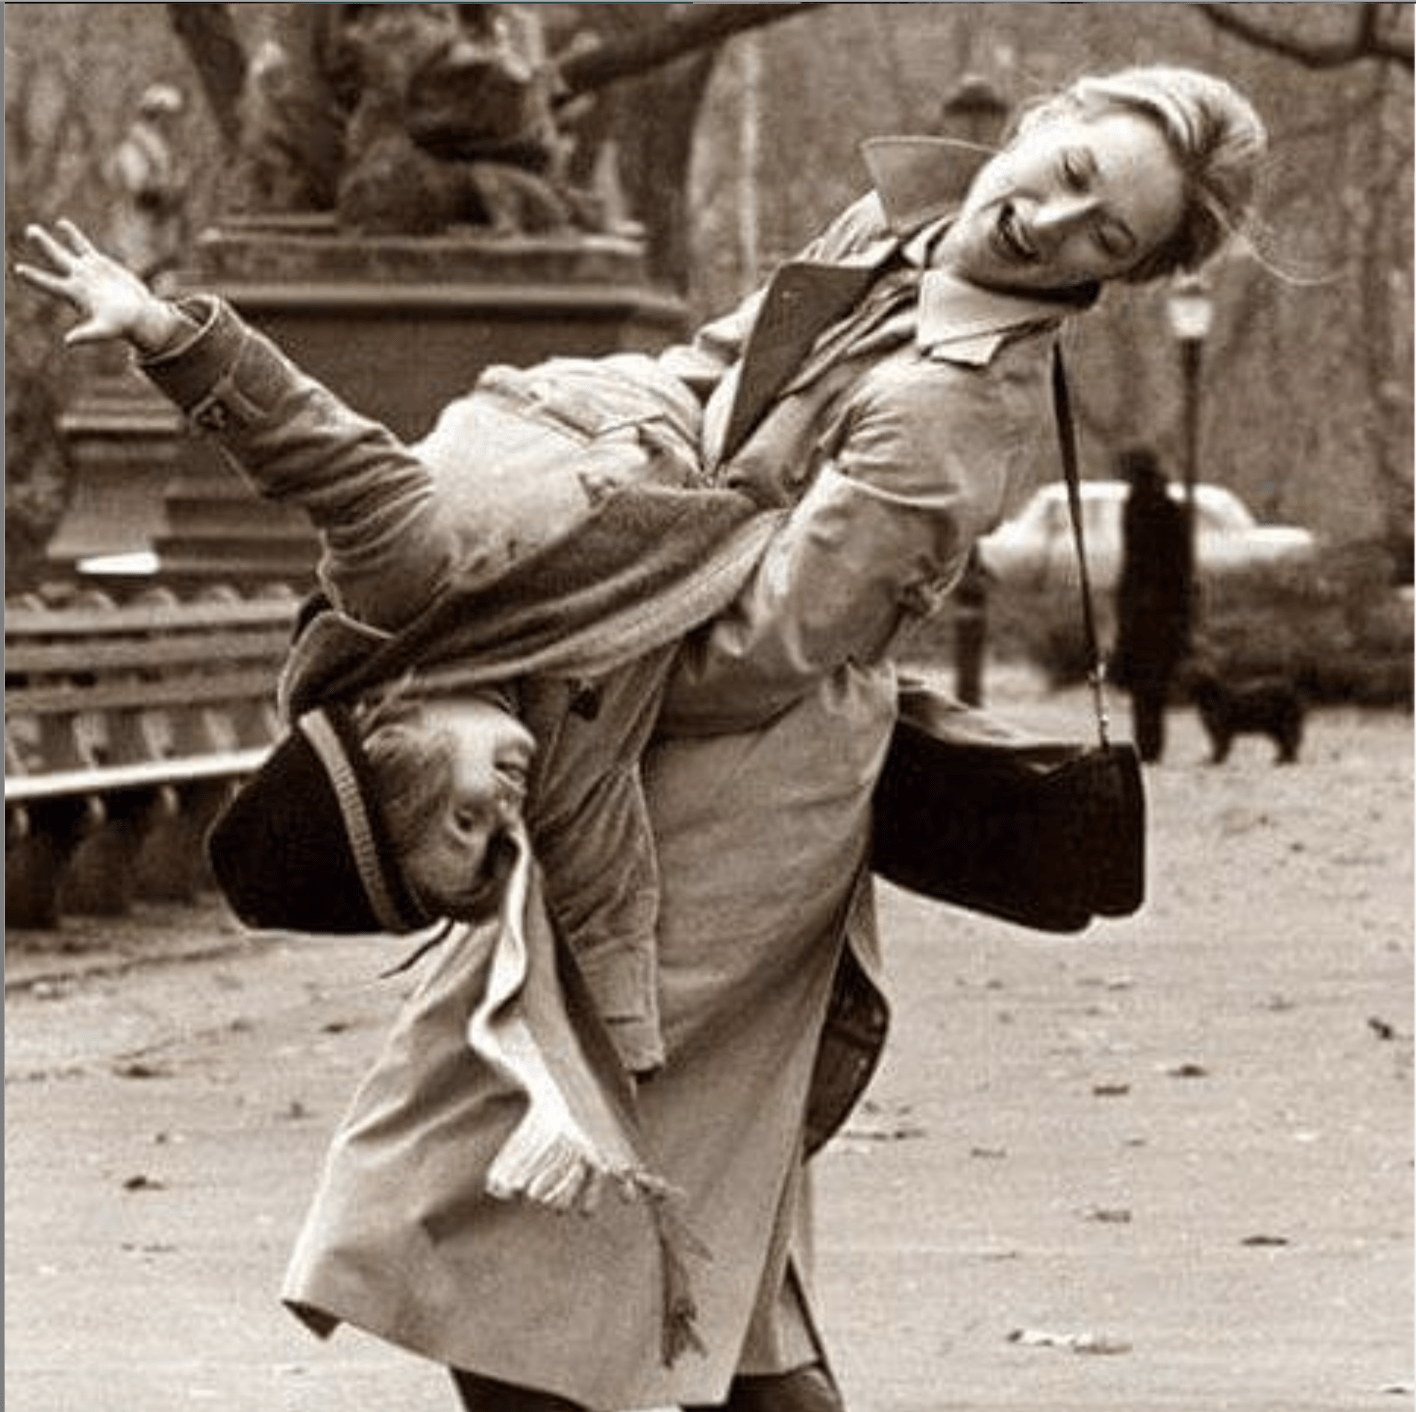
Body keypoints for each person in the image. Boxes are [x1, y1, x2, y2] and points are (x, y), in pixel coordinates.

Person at [18, 62, 1266, 1412]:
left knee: (494, 1195)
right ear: (1043, 121)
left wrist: (570, 616)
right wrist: (592, 470)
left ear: (1117, 275)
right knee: (679, 1239)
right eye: (1070, 174)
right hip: (642, 747)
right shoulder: (891, 229)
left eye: (1102, 236)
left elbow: (765, 649)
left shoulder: (957, 406)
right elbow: (702, 372)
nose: (1050, 223)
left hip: (727, 807)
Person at [1111, 444, 1193, 762]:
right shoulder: (1168, 507)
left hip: (1144, 606)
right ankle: (1151, 742)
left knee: (1144, 681)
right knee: (1154, 680)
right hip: (1164, 606)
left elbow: (1136, 561)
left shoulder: (1137, 507)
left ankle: (1147, 742)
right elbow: (1181, 565)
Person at [103, 82, 190, 283]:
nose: (175, 124)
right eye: (170, 117)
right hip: (138, 235)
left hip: (162, 236)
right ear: (157, 115)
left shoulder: (163, 147)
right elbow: (139, 190)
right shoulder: (134, 148)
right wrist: (169, 190)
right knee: (140, 280)